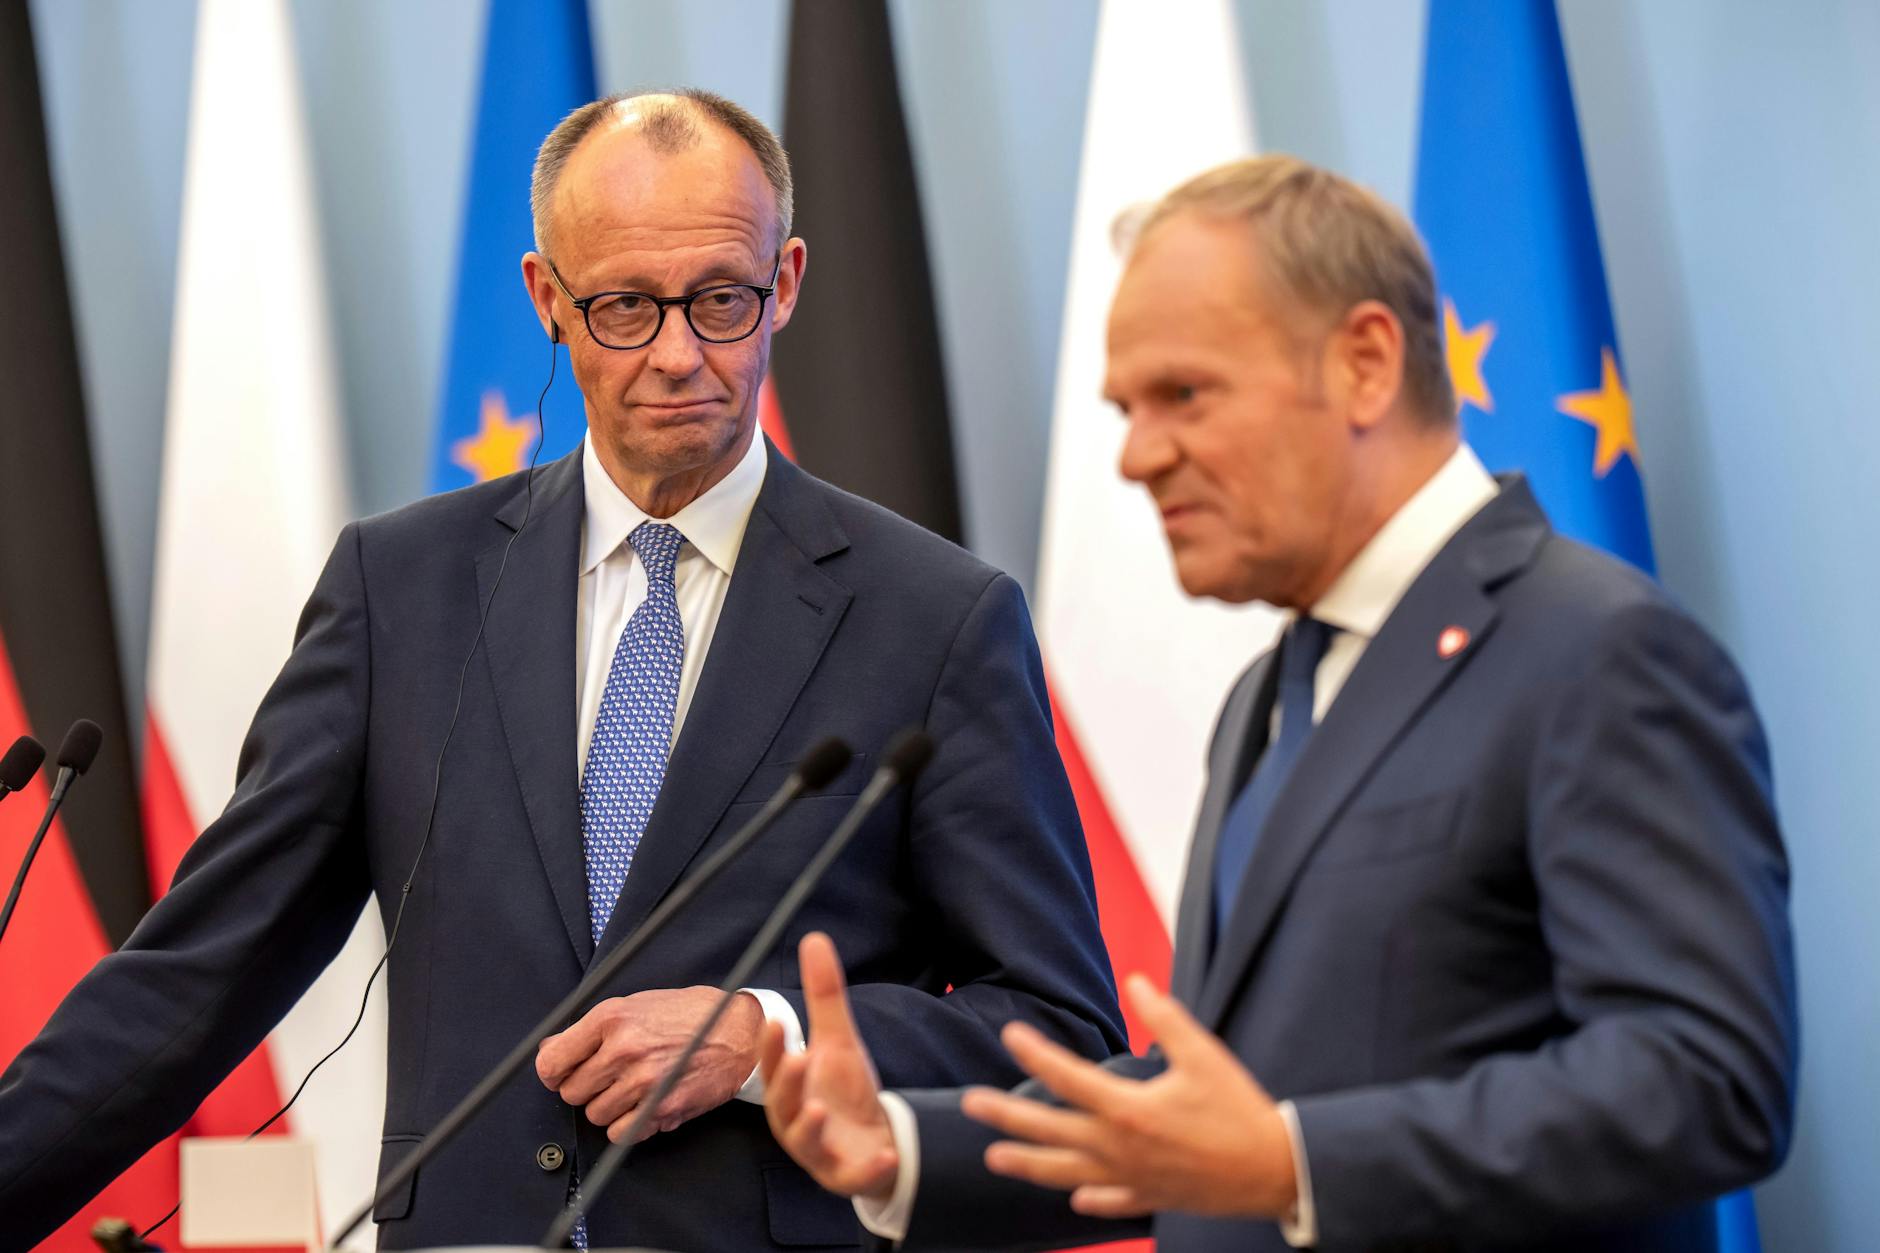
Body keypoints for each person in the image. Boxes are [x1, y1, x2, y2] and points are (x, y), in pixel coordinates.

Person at [0, 91, 1126, 1250]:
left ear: (785, 282)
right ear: (548, 299)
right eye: (625, 308)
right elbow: (197, 972)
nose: (679, 354)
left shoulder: (935, 617)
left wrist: (765, 1034)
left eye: (722, 301)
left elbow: (1059, 1034)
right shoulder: (401, 590)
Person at [761, 155, 1797, 1252]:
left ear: (1363, 362)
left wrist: (1292, 1162)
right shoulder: (1269, 691)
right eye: (1124, 407)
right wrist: (903, 1144)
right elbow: (1218, 1093)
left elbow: (1702, 1075)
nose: (1137, 454)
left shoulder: (1593, 651)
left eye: (1184, 394)